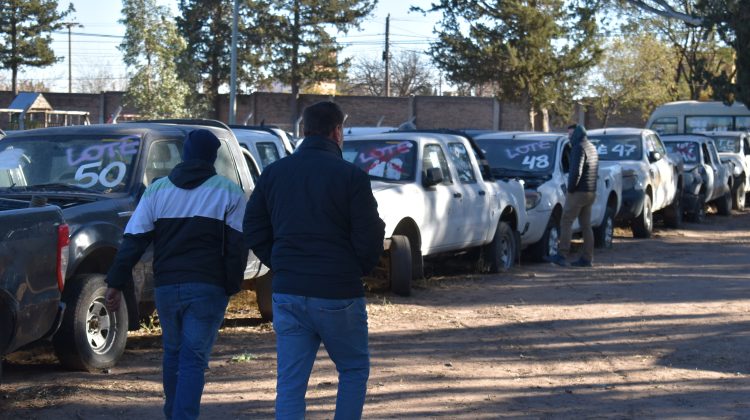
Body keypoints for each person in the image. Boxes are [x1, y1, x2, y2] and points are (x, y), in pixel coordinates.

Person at [243, 101, 385, 419]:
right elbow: (371, 235)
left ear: (304, 131)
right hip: (338, 292)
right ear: (337, 132)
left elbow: (252, 227)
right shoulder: (352, 177)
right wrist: (354, 269)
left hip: (289, 289)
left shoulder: (274, 173)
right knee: (353, 370)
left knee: (290, 386)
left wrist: (279, 261)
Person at [105, 129, 248, 420]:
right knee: (193, 359)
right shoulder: (229, 191)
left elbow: (133, 241)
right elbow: (237, 247)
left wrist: (114, 283)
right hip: (208, 288)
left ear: (184, 155)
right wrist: (231, 286)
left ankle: (174, 414)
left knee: (173, 353)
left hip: (167, 287)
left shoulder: (157, 191)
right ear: (212, 156)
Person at [548, 124, 599, 267]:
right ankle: (587, 258)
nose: (569, 138)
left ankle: (562, 255)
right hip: (590, 191)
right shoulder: (591, 147)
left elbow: (576, 171)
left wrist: (570, 189)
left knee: (566, 221)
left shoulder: (578, 148)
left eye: (571, 135)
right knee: (586, 226)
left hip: (578, 192)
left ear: (577, 134)